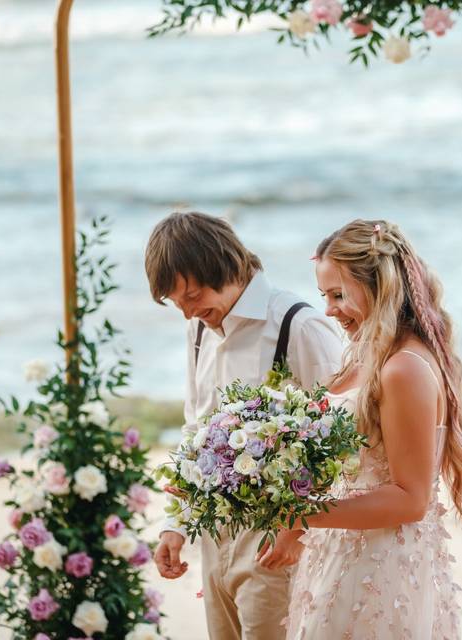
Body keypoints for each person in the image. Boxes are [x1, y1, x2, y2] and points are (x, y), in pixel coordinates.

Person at [145, 211, 343, 640]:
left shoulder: (299, 326)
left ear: (227, 268)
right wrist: (175, 525)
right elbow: (195, 431)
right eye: (177, 303)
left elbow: (341, 444)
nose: (187, 313)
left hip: (277, 538)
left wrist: (297, 531)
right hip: (214, 536)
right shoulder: (199, 330)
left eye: (192, 295)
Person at [284, 219, 462, 639]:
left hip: (379, 563)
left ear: (380, 286)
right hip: (340, 551)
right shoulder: (366, 354)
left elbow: (410, 498)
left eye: (338, 295)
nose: (329, 310)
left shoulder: (404, 367)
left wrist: (302, 516)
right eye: (324, 296)